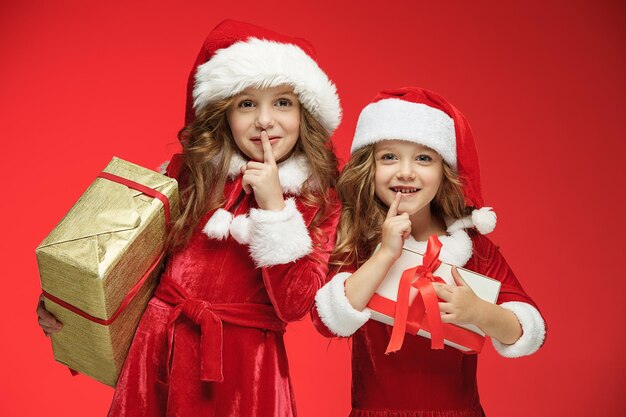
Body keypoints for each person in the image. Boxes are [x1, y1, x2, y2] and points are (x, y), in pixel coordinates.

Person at [37, 19, 342, 417]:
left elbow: (295, 304)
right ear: (223, 113)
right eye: (246, 103)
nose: (265, 120)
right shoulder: (187, 174)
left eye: (283, 102)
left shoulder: (317, 198)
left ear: (307, 113)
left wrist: (274, 209)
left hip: (245, 374)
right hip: (157, 353)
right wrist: (71, 305)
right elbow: (123, 263)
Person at [313, 87, 546, 417]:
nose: (406, 171)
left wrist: (479, 312)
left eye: (424, 158)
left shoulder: (472, 247)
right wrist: (384, 254)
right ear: (369, 166)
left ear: (443, 170)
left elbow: (528, 330)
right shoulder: (357, 241)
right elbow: (329, 321)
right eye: (389, 156)